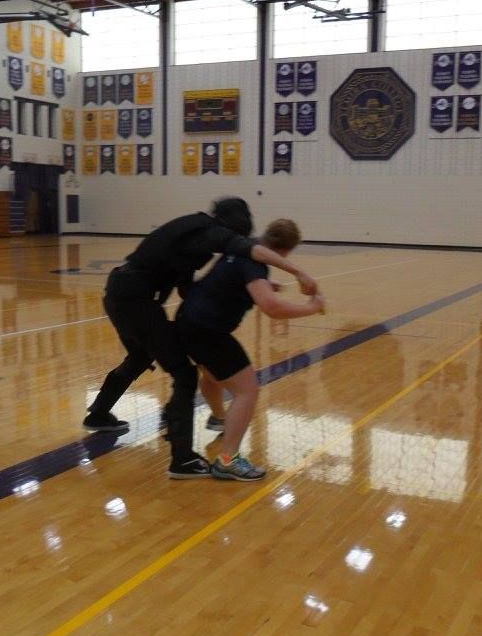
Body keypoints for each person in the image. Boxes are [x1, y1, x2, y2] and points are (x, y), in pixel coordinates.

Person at [83, 198, 320, 480]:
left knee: (140, 357)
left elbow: (189, 289)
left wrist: (249, 286)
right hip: (137, 302)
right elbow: (252, 252)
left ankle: (99, 413)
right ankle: (183, 458)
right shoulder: (210, 232)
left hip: (120, 295)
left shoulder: (192, 237)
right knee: (184, 374)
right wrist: (299, 273)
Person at [176, 219, 324, 481]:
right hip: (207, 330)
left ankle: (219, 418)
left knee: (213, 376)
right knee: (247, 390)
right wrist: (312, 308)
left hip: (187, 321)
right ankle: (227, 461)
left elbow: (227, 280)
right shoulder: (254, 263)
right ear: (286, 251)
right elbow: (272, 308)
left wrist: (263, 285)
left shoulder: (242, 248)